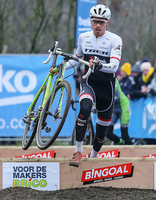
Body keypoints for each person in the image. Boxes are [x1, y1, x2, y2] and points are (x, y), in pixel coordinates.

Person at [50, 4, 122, 167]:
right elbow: (76, 59)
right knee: (85, 108)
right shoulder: (83, 37)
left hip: (107, 87)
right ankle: (78, 151)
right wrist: (60, 67)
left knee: (102, 132)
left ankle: (94, 156)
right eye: (95, 21)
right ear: (90, 21)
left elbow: (115, 66)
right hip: (89, 81)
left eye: (101, 22)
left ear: (107, 23)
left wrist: (99, 65)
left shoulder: (115, 39)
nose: (98, 25)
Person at [106, 78, 133, 145]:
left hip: (123, 105)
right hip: (115, 107)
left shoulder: (113, 80)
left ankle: (133, 152)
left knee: (124, 134)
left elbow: (118, 97)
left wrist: (107, 101)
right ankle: (121, 142)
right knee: (108, 133)